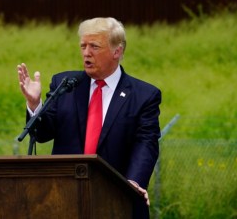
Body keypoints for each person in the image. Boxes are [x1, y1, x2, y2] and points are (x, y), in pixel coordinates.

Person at [17, 17, 161, 216]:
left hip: (117, 201)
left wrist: (133, 183)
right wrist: (34, 104)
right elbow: (42, 133)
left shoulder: (144, 95)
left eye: (94, 46)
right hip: (64, 199)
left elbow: (146, 143)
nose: (86, 52)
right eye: (83, 46)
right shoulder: (65, 84)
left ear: (117, 51)